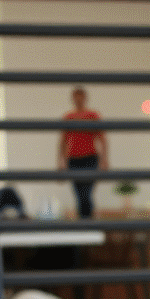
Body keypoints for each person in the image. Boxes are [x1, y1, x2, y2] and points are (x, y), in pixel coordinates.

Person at [58, 87, 107, 219]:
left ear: (85, 98)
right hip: (73, 160)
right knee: (79, 194)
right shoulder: (68, 117)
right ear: (72, 98)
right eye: (76, 96)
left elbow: (102, 139)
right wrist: (61, 162)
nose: (78, 99)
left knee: (86, 193)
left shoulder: (93, 116)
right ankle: (84, 223)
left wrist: (104, 160)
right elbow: (63, 142)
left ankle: (87, 222)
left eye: (80, 96)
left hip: (90, 158)